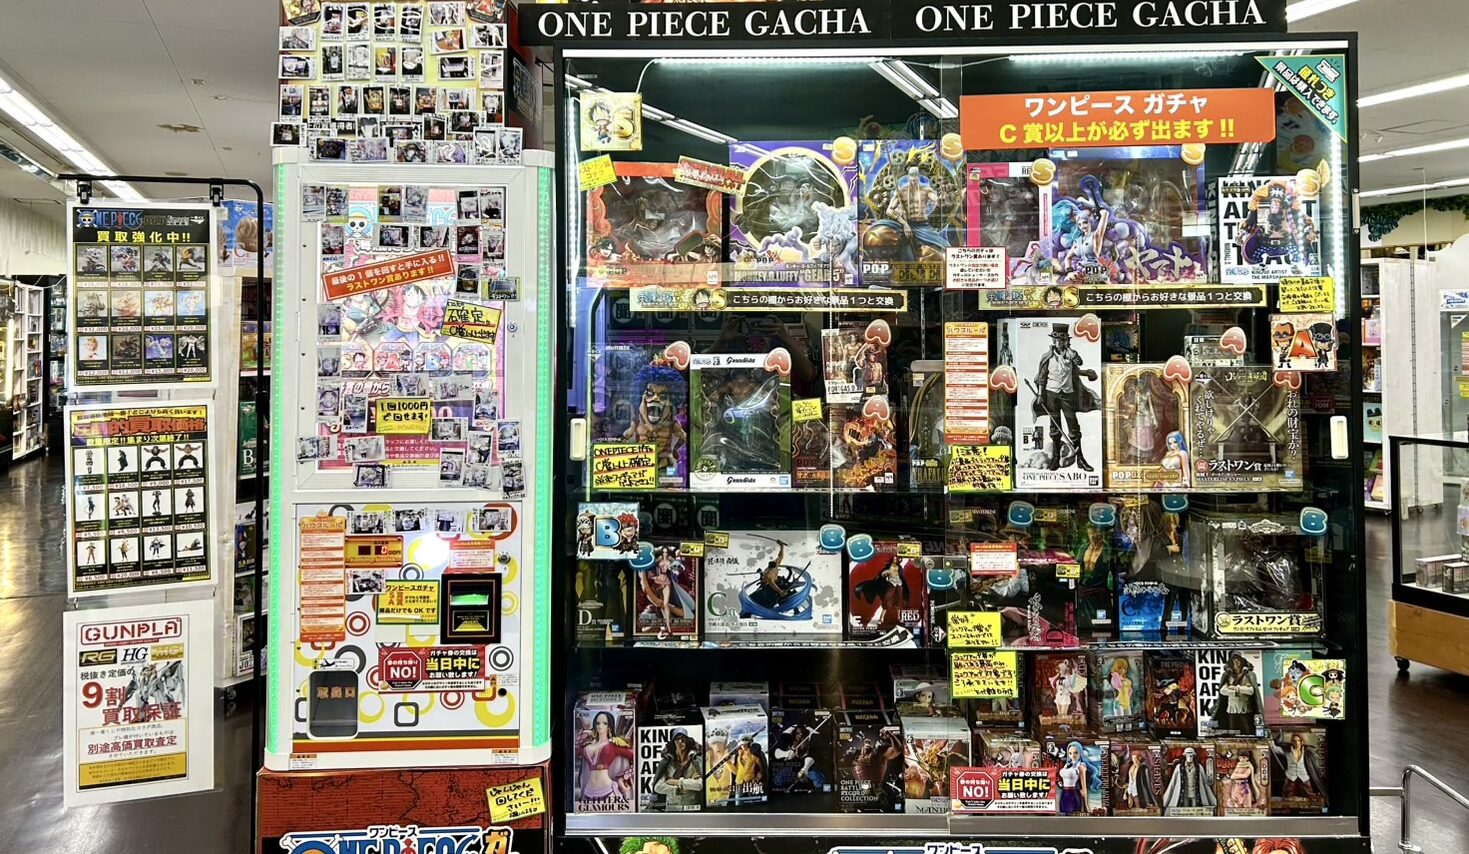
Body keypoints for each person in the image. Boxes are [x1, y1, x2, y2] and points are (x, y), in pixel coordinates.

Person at [1033, 323, 1098, 471]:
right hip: (1051, 394)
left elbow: (1079, 362)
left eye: (1062, 340)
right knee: (1055, 427)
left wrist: (1073, 355)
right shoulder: (1047, 357)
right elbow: (1042, 378)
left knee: (1073, 426)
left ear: (1066, 341)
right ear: (1053, 341)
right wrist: (1040, 394)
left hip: (1067, 395)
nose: (1059, 343)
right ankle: (1056, 459)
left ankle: (1080, 459)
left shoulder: (1070, 354)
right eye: (1056, 340)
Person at [576, 711, 632, 807]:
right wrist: (586, 734)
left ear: (609, 726)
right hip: (588, 791)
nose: (600, 726)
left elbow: (636, 756)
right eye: (597, 723)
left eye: (604, 723)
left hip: (607, 790)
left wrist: (624, 777)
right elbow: (574, 751)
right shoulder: (587, 746)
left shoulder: (614, 744)